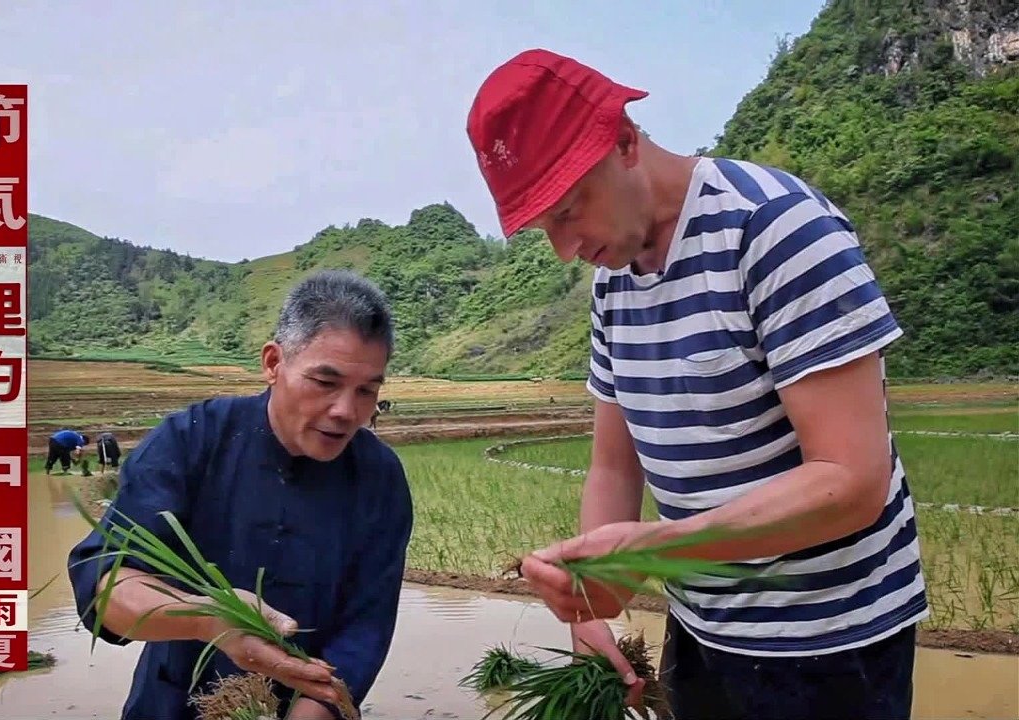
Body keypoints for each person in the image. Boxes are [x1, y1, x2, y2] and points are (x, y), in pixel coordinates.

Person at [465, 48, 927, 720]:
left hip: (832, 644)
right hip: (704, 631)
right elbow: (612, 469)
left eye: (570, 211)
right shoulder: (613, 286)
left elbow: (851, 483)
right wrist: (591, 606)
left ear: (624, 142)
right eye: (544, 229)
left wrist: (652, 549)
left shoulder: (779, 232)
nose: (566, 247)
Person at [66, 270, 414, 720]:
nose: (346, 411)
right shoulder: (191, 440)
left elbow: (366, 624)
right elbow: (108, 582)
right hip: (175, 705)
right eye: (325, 383)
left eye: (367, 390)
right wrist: (208, 617)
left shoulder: (379, 477)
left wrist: (312, 712)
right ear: (273, 363)